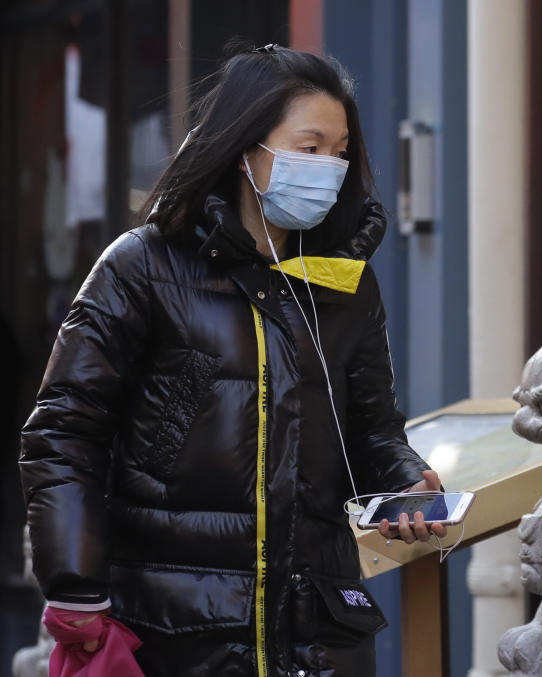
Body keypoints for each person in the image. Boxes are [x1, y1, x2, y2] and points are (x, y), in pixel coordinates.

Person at [20, 42, 445, 676]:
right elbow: (64, 432)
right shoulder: (142, 266)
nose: (329, 166)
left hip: (320, 632)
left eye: (340, 151)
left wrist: (407, 480)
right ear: (247, 148)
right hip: (173, 628)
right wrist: (75, 584)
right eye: (309, 147)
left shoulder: (345, 283)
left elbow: (372, 427)